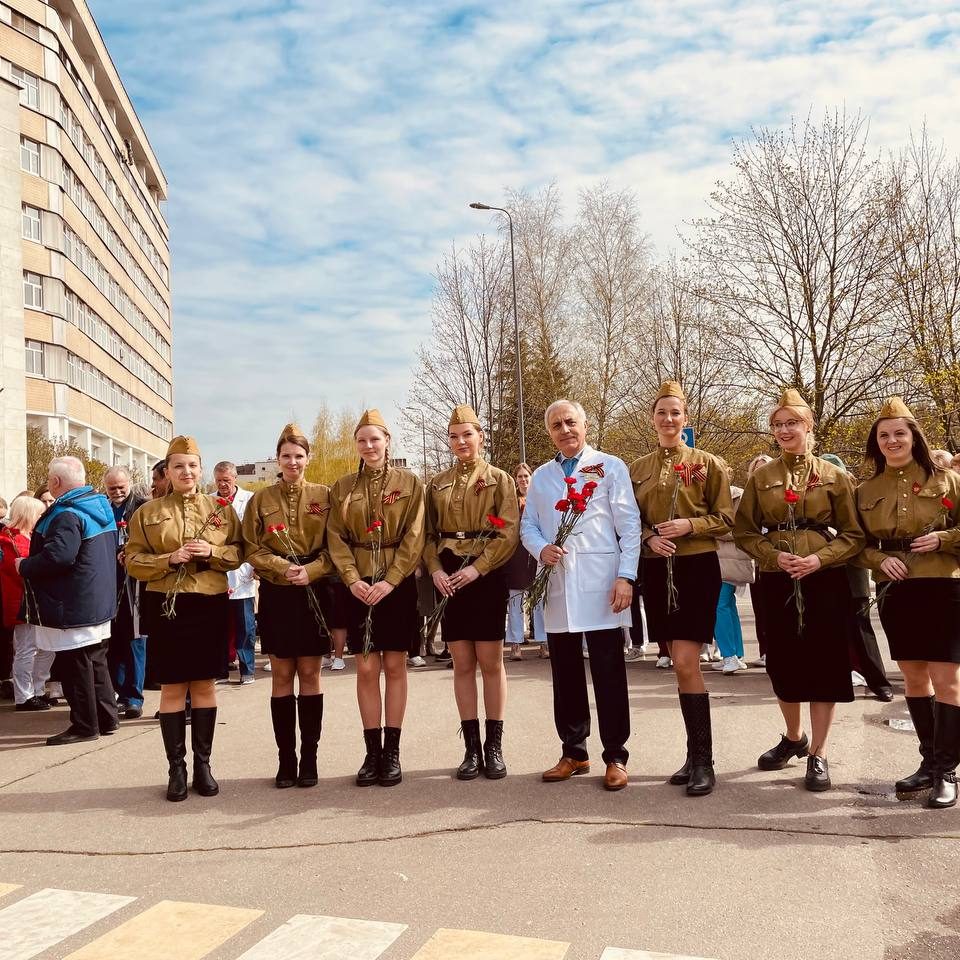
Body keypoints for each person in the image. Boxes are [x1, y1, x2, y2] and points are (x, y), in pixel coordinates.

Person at [734, 388, 864, 791]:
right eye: (777, 425)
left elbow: (854, 535)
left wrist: (820, 559)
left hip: (824, 581)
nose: (784, 430)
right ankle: (794, 737)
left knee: (824, 664)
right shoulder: (762, 477)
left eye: (792, 423)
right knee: (784, 664)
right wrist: (773, 557)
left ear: (809, 427)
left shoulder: (835, 477)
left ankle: (819, 753)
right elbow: (744, 531)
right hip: (779, 580)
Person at [521, 399, 641, 792]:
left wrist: (626, 576)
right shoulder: (541, 476)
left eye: (570, 422)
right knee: (565, 674)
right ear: (550, 432)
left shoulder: (610, 466)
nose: (565, 430)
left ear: (585, 425)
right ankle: (574, 750)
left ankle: (616, 755)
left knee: (608, 673)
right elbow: (529, 526)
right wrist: (541, 549)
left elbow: (630, 526)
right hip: (558, 585)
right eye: (556, 425)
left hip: (602, 584)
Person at [629, 381, 734, 796]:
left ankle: (705, 761)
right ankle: (694, 755)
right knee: (677, 663)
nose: (668, 419)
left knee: (688, 661)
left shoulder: (709, 463)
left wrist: (691, 524)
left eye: (676, 413)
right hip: (657, 567)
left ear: (685, 419)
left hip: (695, 567)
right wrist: (647, 538)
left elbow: (727, 518)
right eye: (661, 413)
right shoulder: (636, 468)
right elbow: (625, 519)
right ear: (652, 419)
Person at [855, 398, 960, 809]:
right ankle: (929, 762)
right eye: (884, 435)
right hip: (896, 590)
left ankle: (947, 772)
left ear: (914, 436)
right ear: (876, 442)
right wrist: (879, 559)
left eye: (900, 433)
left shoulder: (948, 481)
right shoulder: (865, 490)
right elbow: (854, 543)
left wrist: (945, 539)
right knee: (915, 680)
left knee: (948, 680)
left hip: (943, 586)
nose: (892, 440)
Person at [125, 436, 243, 802]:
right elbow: (131, 559)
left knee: (205, 686)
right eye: (178, 466)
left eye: (192, 465)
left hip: (208, 603)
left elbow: (238, 552)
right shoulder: (147, 513)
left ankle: (204, 765)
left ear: (201, 468)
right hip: (167, 605)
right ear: (167, 471)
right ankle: (177, 768)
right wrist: (167, 559)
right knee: (174, 688)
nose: (186, 472)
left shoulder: (221, 510)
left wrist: (213, 551)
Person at [327, 409, 425, 787]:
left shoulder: (410, 482)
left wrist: (393, 580)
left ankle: (393, 752)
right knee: (366, 668)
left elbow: (415, 535)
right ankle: (372, 753)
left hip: (396, 586)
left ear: (387, 442)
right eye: (362, 440)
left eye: (375, 439)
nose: (369, 446)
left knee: (396, 666)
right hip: (358, 586)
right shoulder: (343, 487)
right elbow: (335, 537)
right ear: (356, 445)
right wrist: (351, 579)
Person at [424, 405, 520, 780]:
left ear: (481, 436)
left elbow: (508, 531)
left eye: (468, 434)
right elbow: (427, 535)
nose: (461, 441)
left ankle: (494, 748)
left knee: (491, 663)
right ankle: (471, 749)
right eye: (454, 436)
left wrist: (479, 569)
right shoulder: (437, 484)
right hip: (449, 573)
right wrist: (434, 570)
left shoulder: (498, 479)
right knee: (462, 663)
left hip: (485, 573)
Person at [243, 424, 333, 789]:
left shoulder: (325, 495)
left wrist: (311, 570)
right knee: (281, 676)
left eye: (298, 456)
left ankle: (309, 758)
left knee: (310, 674)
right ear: (277, 459)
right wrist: (283, 568)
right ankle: (286, 759)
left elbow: (337, 546)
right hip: (279, 593)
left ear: (307, 459)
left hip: (313, 591)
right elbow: (250, 546)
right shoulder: (260, 499)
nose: (292, 462)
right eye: (286, 456)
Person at [16, 457, 119, 744]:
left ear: (56, 482)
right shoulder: (99, 507)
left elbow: (59, 556)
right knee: (95, 663)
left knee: (78, 666)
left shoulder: (66, 514)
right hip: (95, 601)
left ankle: (85, 725)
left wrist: (23, 565)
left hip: (74, 604)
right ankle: (106, 717)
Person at [819, 453, 894, 702]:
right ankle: (833, 678)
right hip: (823, 570)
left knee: (861, 627)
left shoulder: (858, 495)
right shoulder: (816, 495)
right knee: (827, 628)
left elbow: (862, 534)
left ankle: (878, 681)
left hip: (852, 570)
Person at [103, 466, 148, 719]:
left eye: (121, 487)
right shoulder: (103, 507)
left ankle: (133, 697)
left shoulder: (143, 506)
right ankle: (118, 693)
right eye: (112, 488)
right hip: (110, 582)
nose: (118, 492)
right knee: (115, 641)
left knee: (135, 641)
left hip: (135, 584)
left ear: (129, 483)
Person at [2, 496, 49, 710]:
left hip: (33, 601)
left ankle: (37, 689)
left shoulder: (22, 538)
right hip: (23, 602)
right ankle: (24, 695)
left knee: (44, 649)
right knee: (26, 649)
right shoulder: (11, 541)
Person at [213, 461, 257, 685]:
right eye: (219, 481)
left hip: (243, 570)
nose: (222, 485)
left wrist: (254, 565)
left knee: (245, 625)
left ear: (235, 478)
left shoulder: (249, 500)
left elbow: (254, 536)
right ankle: (220, 669)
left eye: (226, 481)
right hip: (217, 570)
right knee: (218, 624)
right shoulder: (209, 501)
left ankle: (247, 669)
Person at [712, 468, 753, 675]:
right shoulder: (711, 494)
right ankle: (735, 653)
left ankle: (729, 655)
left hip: (730, 560)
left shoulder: (737, 495)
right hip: (720, 559)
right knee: (726, 605)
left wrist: (706, 529)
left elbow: (740, 528)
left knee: (718, 605)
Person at [504, 462, 547, 661]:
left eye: (526, 476)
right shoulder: (511, 501)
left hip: (537, 554)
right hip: (516, 556)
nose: (523, 480)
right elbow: (502, 523)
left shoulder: (540, 499)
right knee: (516, 600)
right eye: (519, 476)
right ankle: (515, 643)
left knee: (539, 599)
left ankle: (543, 642)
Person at [744, 454, 773, 667]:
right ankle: (765, 651)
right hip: (758, 559)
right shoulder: (750, 496)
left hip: (779, 555)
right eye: (757, 469)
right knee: (761, 608)